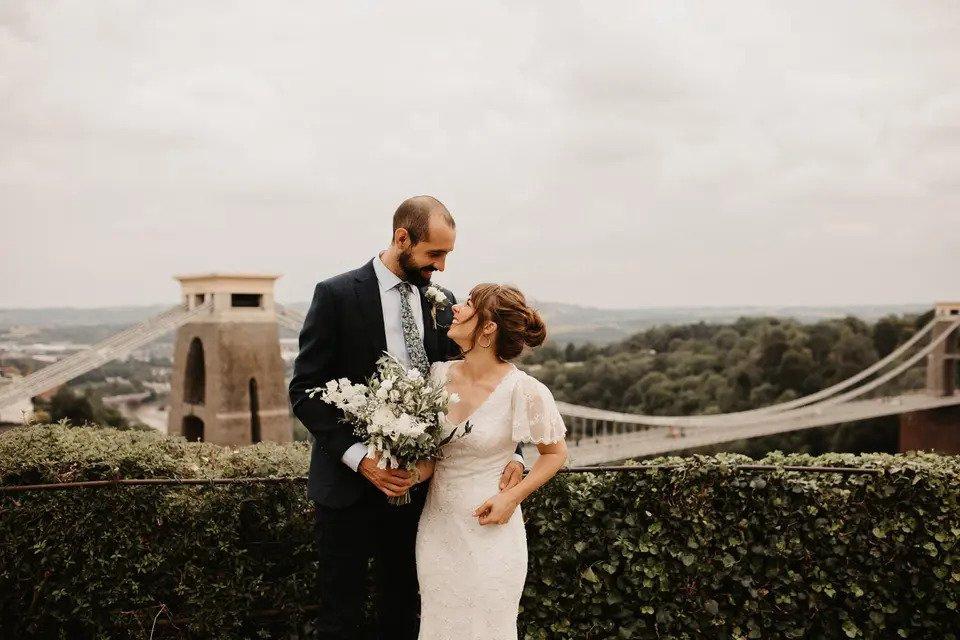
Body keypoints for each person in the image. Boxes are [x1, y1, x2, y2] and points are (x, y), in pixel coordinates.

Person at [288, 196, 526, 640]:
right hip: (347, 491)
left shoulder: (443, 303)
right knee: (341, 617)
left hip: (422, 491)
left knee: (405, 612)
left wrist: (514, 452)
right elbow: (304, 391)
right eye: (434, 254)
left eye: (447, 254)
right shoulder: (336, 295)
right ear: (402, 238)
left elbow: (476, 386)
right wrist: (361, 459)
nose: (441, 267)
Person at [414, 283, 568, 640]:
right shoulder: (435, 377)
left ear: (488, 328)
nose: (455, 308)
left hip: (492, 528)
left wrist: (511, 498)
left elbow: (555, 453)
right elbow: (431, 456)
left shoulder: (524, 390)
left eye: (468, 304)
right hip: (438, 530)